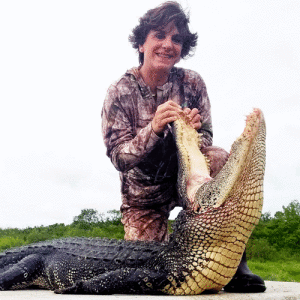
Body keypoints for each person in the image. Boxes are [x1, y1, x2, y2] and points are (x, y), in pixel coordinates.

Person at [102, 1, 266, 293]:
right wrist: (153, 129)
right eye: (160, 36)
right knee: (147, 271)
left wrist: (192, 129)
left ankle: (236, 261)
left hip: (185, 182)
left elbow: (207, 138)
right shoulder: (119, 91)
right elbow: (119, 156)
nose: (168, 45)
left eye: (176, 39)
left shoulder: (192, 82)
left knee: (218, 159)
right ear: (141, 43)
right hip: (144, 195)